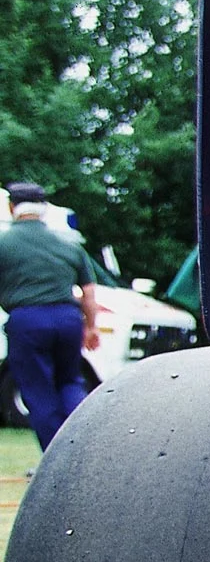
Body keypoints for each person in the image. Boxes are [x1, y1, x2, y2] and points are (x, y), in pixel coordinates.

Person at [0, 182, 98, 448]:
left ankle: (54, 459)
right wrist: (91, 328)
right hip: (68, 319)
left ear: (12, 207)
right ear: (43, 209)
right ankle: (83, 448)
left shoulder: (4, 243)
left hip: (28, 320)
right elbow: (88, 293)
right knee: (70, 382)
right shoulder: (69, 243)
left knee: (38, 392)